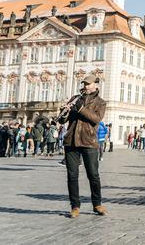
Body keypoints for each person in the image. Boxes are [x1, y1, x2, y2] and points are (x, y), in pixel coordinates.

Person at [58, 74, 108, 218]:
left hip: (89, 141)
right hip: (71, 141)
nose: (86, 86)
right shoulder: (75, 99)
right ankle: (75, 206)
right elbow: (63, 121)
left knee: (93, 175)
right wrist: (64, 112)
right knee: (72, 175)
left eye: (89, 84)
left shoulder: (101, 102)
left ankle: (97, 204)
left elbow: (96, 118)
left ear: (96, 85)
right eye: (84, 84)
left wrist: (80, 110)